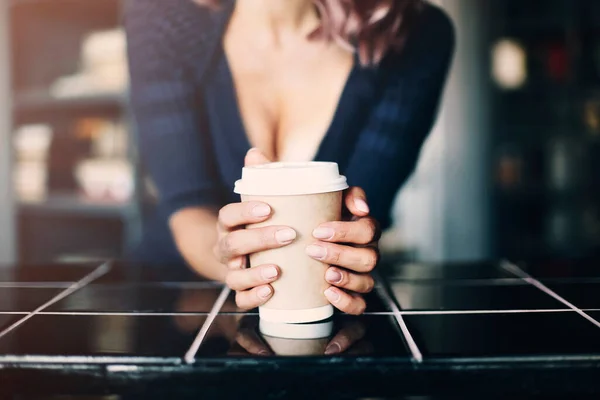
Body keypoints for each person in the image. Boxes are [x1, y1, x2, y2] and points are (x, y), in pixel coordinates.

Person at [125, 0, 454, 315]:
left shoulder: (417, 33)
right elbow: (187, 204)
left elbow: (361, 215)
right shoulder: (161, 14)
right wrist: (234, 263)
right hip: (179, 298)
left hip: (327, 303)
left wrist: (348, 245)